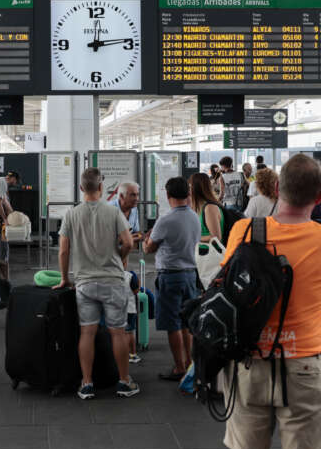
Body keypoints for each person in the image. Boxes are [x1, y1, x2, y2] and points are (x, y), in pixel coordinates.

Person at [221, 154, 321, 449]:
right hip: (303, 366)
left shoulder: (243, 231)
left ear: (277, 190)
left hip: (249, 364)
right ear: (320, 197)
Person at [55, 168, 139, 400]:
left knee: (87, 332)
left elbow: (63, 251)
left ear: (81, 188)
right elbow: (128, 242)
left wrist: (65, 278)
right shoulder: (113, 213)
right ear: (101, 187)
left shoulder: (71, 214)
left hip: (84, 283)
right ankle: (124, 382)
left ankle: (87, 384)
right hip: (112, 280)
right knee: (118, 333)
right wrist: (120, 256)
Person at [142, 177, 200, 381]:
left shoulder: (166, 220)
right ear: (188, 194)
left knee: (173, 324)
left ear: (168, 195)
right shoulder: (194, 217)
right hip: (191, 275)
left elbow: (150, 248)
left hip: (170, 276)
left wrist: (145, 240)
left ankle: (179, 367)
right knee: (186, 323)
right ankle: (190, 363)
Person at [190, 172, 224, 244]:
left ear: (195, 188)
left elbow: (216, 238)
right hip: (201, 252)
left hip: (209, 253)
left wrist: (195, 238)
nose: (189, 190)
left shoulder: (210, 208)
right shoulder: (199, 207)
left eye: (190, 186)